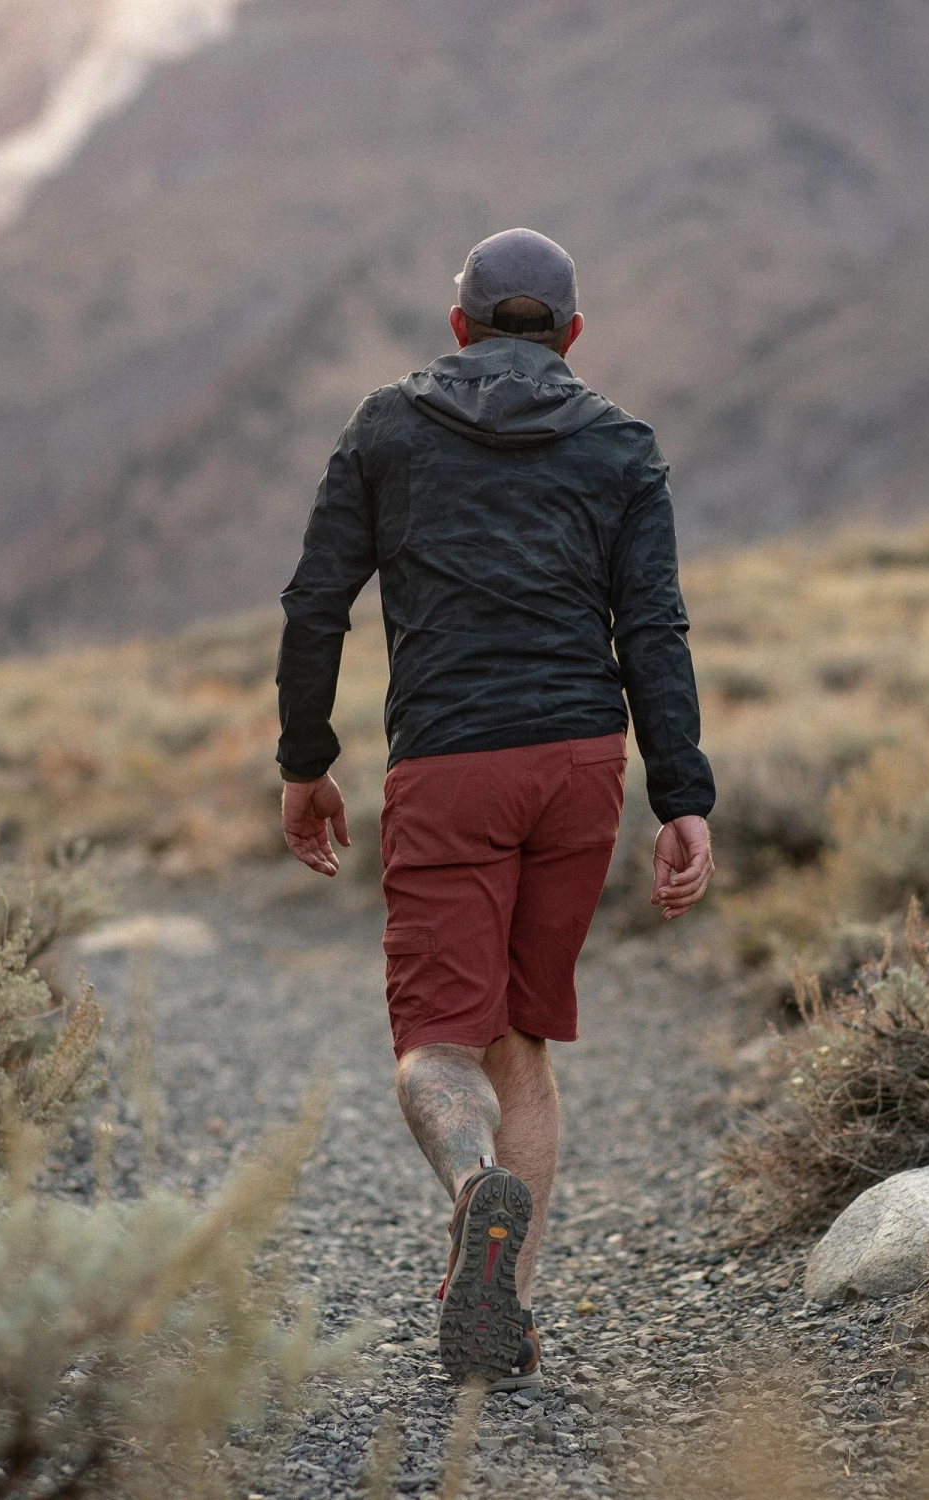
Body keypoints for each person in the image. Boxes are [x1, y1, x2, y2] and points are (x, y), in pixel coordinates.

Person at [275, 227, 715, 1391]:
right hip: (580, 769)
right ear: (573, 334)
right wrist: (683, 795)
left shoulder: (386, 427)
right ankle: (503, 1319)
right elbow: (654, 628)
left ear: (459, 323)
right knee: (520, 1034)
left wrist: (305, 760)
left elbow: (317, 602)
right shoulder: (621, 443)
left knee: (438, 1043)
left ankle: (478, 1188)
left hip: (451, 767)